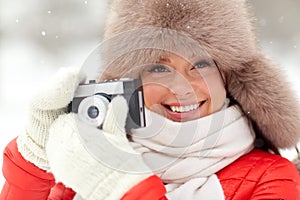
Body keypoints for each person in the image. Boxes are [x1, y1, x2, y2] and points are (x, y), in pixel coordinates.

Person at [1, 0, 300, 199]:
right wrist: (35, 162)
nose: (183, 87)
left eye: (201, 64)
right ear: (131, 81)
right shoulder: (85, 165)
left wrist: (118, 187)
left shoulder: (271, 178)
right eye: (158, 67)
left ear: (228, 76)